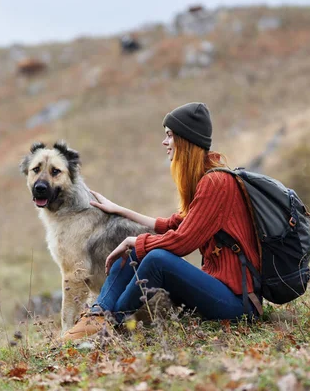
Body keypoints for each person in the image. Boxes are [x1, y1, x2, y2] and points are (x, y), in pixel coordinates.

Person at [61, 102, 261, 342]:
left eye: (169, 135)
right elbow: (173, 225)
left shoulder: (216, 183)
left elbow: (183, 242)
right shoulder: (205, 179)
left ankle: (110, 323)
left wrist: (135, 241)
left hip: (238, 304)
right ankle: (97, 315)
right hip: (219, 291)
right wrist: (120, 210)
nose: (164, 142)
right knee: (137, 252)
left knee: (154, 257)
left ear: (186, 139)